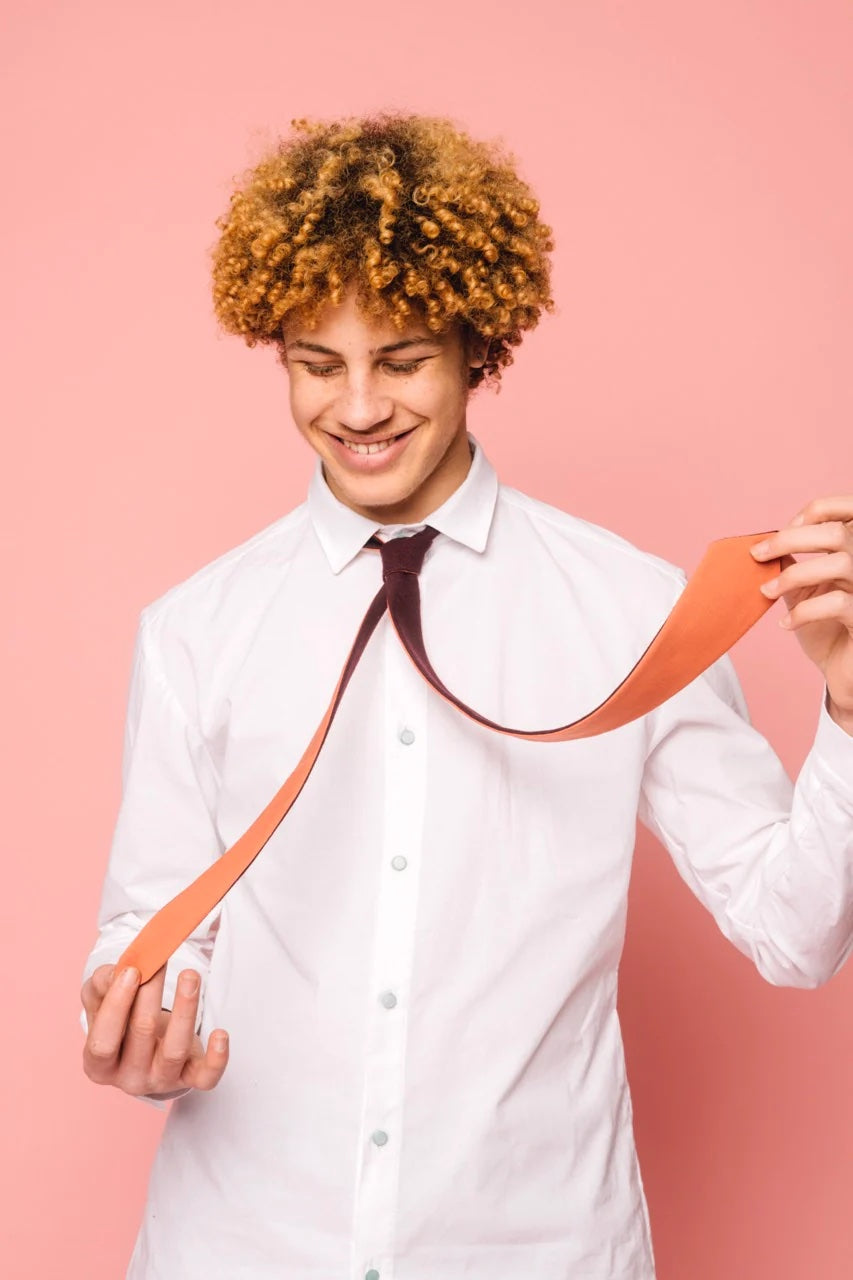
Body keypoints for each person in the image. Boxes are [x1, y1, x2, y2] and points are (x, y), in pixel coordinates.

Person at [80, 112, 853, 1280]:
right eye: (314, 362)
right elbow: (154, 925)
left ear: (477, 347)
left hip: (540, 1247)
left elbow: (796, 933)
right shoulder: (194, 630)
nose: (355, 407)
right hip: (237, 1245)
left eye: (399, 359)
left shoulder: (636, 609)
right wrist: (137, 1030)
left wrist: (848, 706)